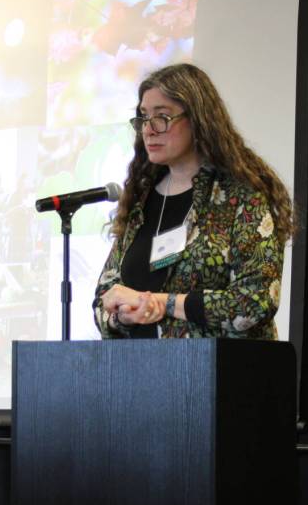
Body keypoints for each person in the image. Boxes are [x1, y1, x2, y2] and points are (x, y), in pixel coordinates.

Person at [93, 63, 295, 339]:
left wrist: (163, 303)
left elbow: (255, 302)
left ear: (199, 120)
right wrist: (123, 315)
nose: (149, 129)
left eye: (162, 117)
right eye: (144, 117)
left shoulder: (242, 197)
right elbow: (104, 297)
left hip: (221, 365)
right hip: (142, 364)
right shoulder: (141, 199)